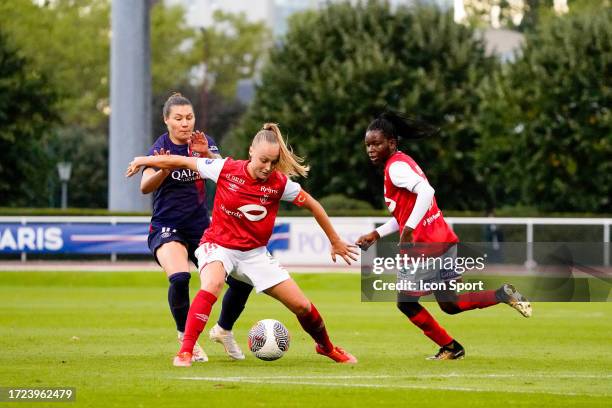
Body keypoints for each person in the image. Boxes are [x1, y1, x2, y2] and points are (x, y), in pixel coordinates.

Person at [127, 123, 359, 367]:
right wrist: (143, 160)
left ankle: (327, 347)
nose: (267, 168)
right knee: (213, 283)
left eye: (273, 162)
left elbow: (313, 204)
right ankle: (185, 351)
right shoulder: (225, 168)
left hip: (255, 254)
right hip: (218, 246)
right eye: (263, 160)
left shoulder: (279, 184)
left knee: (301, 305)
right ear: (250, 151)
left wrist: (334, 240)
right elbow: (182, 162)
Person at [355, 111, 532, 360]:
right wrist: (378, 233)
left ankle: (451, 347)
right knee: (451, 304)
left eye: (376, 143)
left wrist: (409, 230)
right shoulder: (404, 162)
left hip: (426, 246)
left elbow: (427, 192)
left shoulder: (395, 169)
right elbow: (408, 210)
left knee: (405, 302)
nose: (371, 149)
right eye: (368, 145)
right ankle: (502, 294)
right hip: (444, 241)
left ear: (392, 143)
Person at [141, 92, 253, 362]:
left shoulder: (202, 143)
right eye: (178, 118)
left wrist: (208, 153)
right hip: (167, 227)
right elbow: (145, 186)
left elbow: (230, 176)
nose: (184, 123)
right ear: (166, 120)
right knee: (180, 278)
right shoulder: (161, 147)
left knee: (242, 281)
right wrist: (164, 168)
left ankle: (223, 330)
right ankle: (185, 336)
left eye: (189, 117)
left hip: (202, 229)